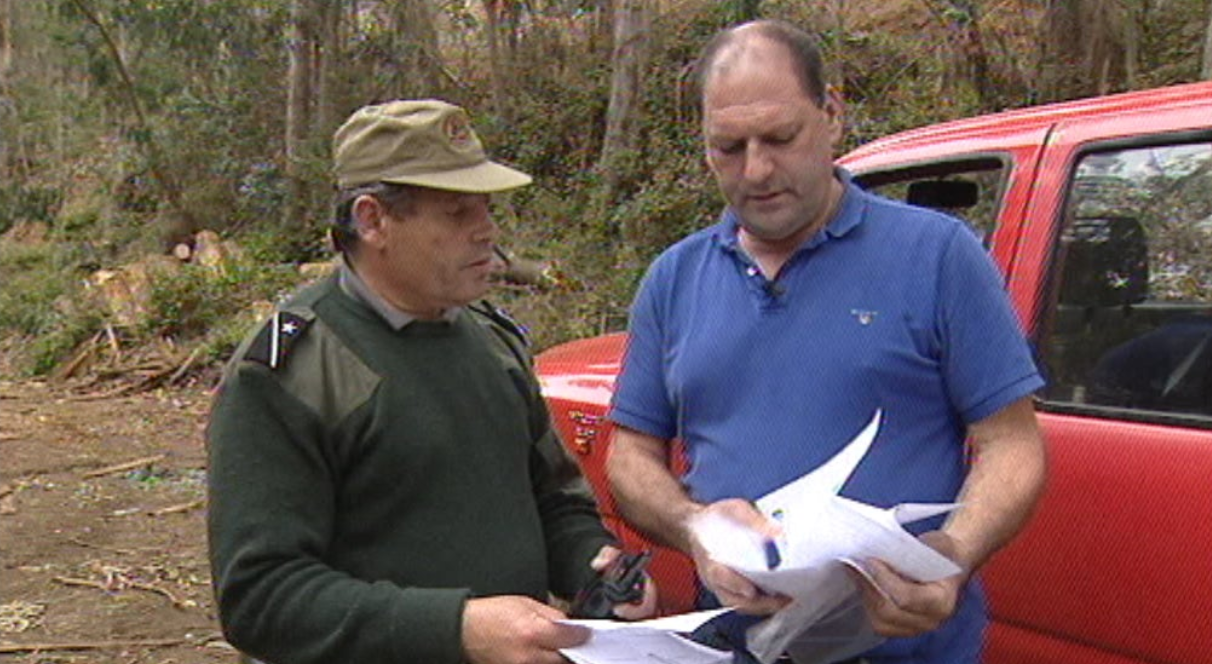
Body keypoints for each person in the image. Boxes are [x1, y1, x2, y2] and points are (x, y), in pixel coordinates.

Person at [606, 20, 1047, 664]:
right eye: (728, 147)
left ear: (832, 113)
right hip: (743, 644)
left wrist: (950, 558)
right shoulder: (675, 278)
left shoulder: (938, 256)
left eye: (780, 137)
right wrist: (694, 526)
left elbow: (1013, 444)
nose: (756, 170)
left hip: (907, 649)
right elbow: (630, 455)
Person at [207, 99, 654, 664]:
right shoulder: (291, 371)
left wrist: (596, 565)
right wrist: (457, 627)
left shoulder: (493, 342)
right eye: (456, 212)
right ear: (373, 221)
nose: (487, 231)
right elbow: (261, 598)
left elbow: (556, 501)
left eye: (487, 208)